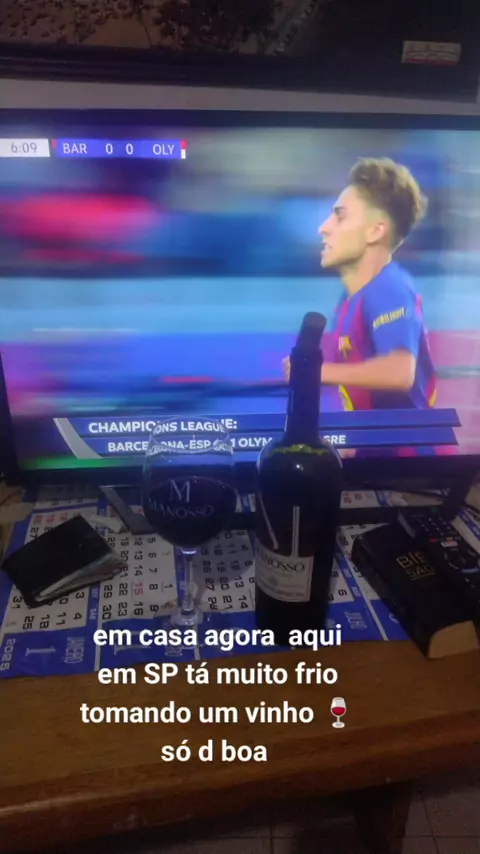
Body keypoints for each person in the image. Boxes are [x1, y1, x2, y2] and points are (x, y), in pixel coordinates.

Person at [283, 157, 437, 412]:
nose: (323, 228)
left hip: (404, 439)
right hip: (375, 437)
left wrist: (316, 371)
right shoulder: (351, 297)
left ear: (375, 231)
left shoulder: (388, 288)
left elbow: (399, 373)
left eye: (340, 217)